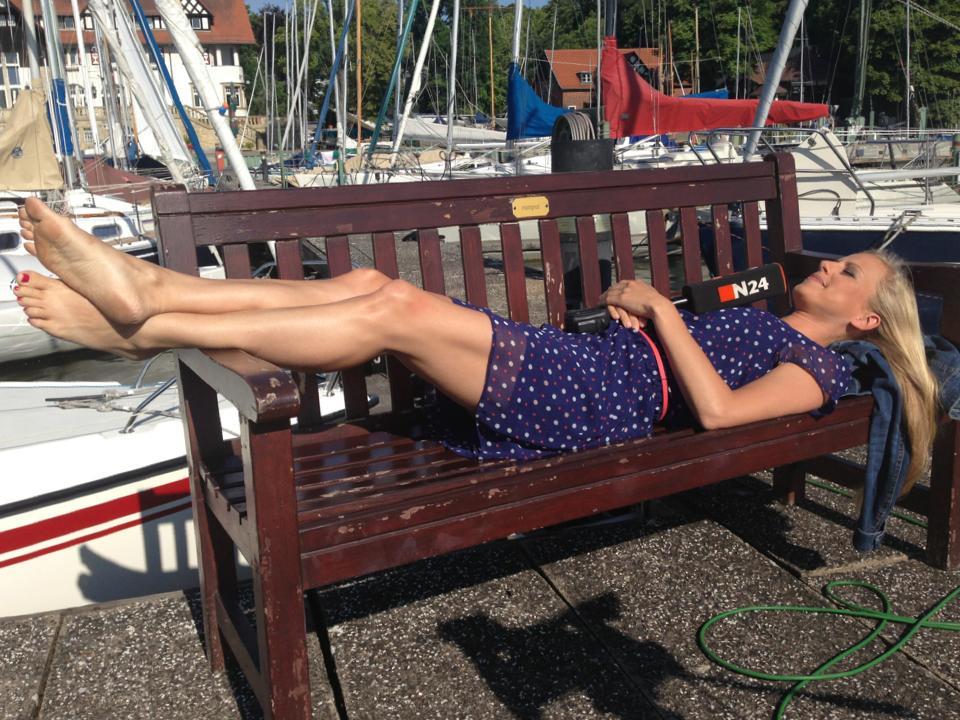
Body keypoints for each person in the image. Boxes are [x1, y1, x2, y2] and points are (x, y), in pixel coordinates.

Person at [12, 198, 937, 489]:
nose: (826, 266)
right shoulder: (769, 313)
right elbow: (675, 335)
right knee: (374, 287)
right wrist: (635, 303)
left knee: (389, 312)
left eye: (846, 272)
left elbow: (723, 412)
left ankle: (148, 313)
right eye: (837, 259)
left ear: (867, 320)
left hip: (589, 404)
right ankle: (150, 307)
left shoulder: (817, 369)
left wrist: (660, 315)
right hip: (583, 365)